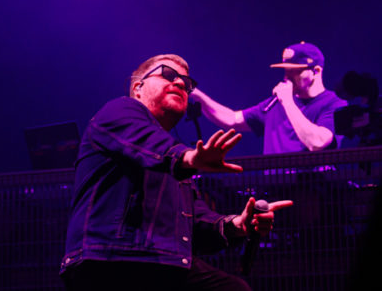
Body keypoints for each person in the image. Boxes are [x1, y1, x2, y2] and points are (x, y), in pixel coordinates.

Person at [60, 54, 292, 291]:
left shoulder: (172, 155)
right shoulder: (119, 111)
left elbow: (196, 220)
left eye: (186, 82)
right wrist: (189, 158)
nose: (181, 83)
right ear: (138, 87)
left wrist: (238, 224)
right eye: (168, 74)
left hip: (162, 262)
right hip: (111, 259)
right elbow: (148, 142)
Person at [192, 41, 347, 154]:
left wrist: (288, 103)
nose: (287, 76)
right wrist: (195, 94)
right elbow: (232, 119)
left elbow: (318, 143)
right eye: (285, 70)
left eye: (295, 71)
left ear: (316, 71)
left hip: (313, 187)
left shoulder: (334, 105)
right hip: (274, 185)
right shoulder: (275, 104)